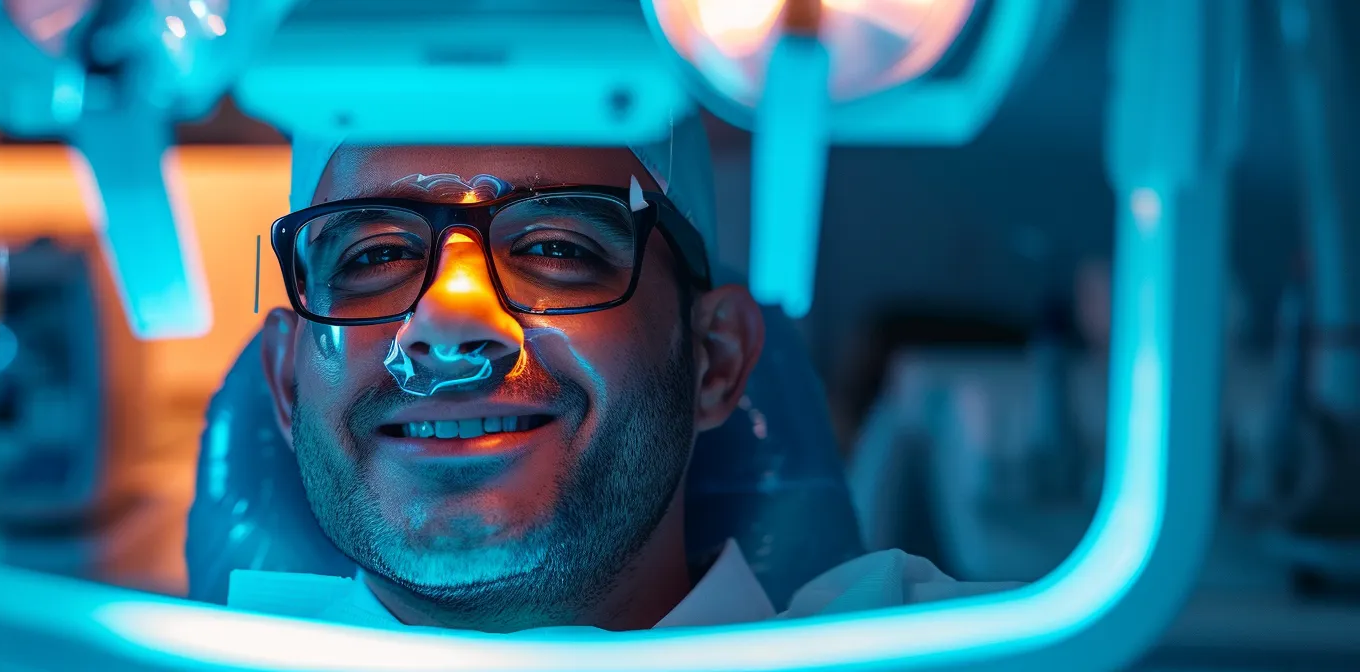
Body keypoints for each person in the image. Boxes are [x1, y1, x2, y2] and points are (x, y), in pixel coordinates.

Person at [234, 117, 1019, 633]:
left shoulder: (982, 645)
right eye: (375, 258)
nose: (449, 328)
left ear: (715, 360)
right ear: (286, 383)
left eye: (556, 249)